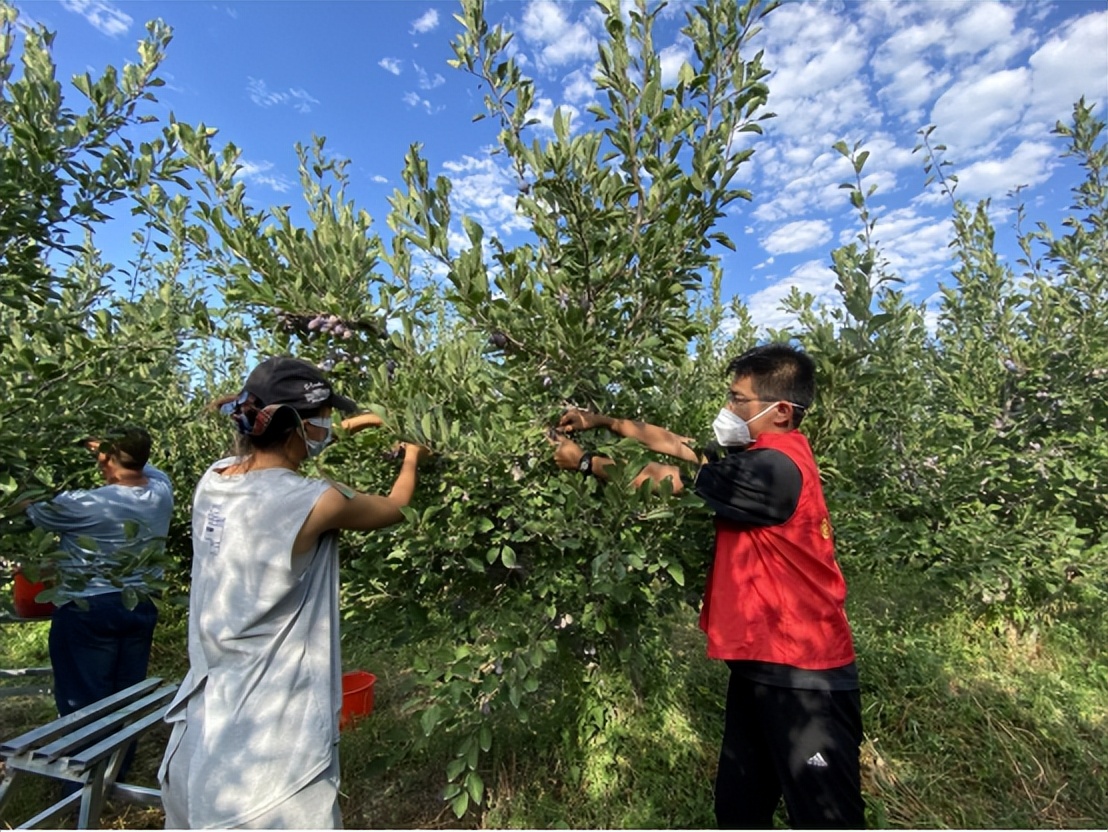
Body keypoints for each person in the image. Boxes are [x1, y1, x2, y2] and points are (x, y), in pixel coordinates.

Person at [552, 343, 865, 829]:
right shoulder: (759, 454)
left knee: (827, 817)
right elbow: (677, 444)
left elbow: (663, 478)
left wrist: (585, 462)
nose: (727, 408)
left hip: (805, 677)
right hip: (761, 666)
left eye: (737, 399)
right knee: (738, 809)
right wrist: (604, 421)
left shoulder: (773, 470)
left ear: (780, 410)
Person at [158, 356, 430, 830]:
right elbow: (394, 507)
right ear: (295, 429)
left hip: (206, 725)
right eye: (320, 420)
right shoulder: (313, 501)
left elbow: (294, 448)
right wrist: (412, 457)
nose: (329, 427)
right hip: (273, 744)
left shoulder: (214, 479)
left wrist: (370, 419)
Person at [23, 428, 173, 724]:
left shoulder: (83, 504)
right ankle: (115, 768)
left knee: (84, 702)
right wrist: (113, 450)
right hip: (139, 605)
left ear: (106, 457)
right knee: (125, 698)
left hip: (88, 609)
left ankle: (86, 767)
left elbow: (36, 512)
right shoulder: (161, 493)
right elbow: (144, 466)